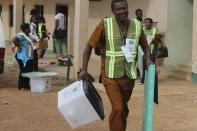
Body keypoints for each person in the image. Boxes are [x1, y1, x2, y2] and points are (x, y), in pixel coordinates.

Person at [78, 0, 153, 131]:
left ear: (128, 8)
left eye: (124, 8)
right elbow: (88, 46)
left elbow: (145, 46)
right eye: (118, 9)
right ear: (113, 11)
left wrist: (148, 60)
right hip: (110, 75)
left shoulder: (136, 25)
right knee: (118, 108)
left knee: (122, 108)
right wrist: (84, 69)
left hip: (129, 75)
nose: (122, 11)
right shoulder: (105, 24)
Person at [144, 17, 163, 104]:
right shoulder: (143, 30)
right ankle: (147, 80)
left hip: (153, 52)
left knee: (153, 66)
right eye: (145, 22)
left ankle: (154, 80)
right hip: (145, 52)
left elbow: (160, 36)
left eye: (148, 22)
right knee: (146, 66)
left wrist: (155, 38)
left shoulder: (155, 30)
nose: (146, 24)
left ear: (151, 23)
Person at [12, 23, 34, 90]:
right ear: (25, 29)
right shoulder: (21, 35)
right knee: (24, 70)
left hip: (28, 56)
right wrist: (19, 46)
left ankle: (26, 85)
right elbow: (14, 39)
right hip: (22, 56)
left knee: (28, 70)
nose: (30, 29)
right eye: (28, 28)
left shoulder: (28, 35)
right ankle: (22, 85)